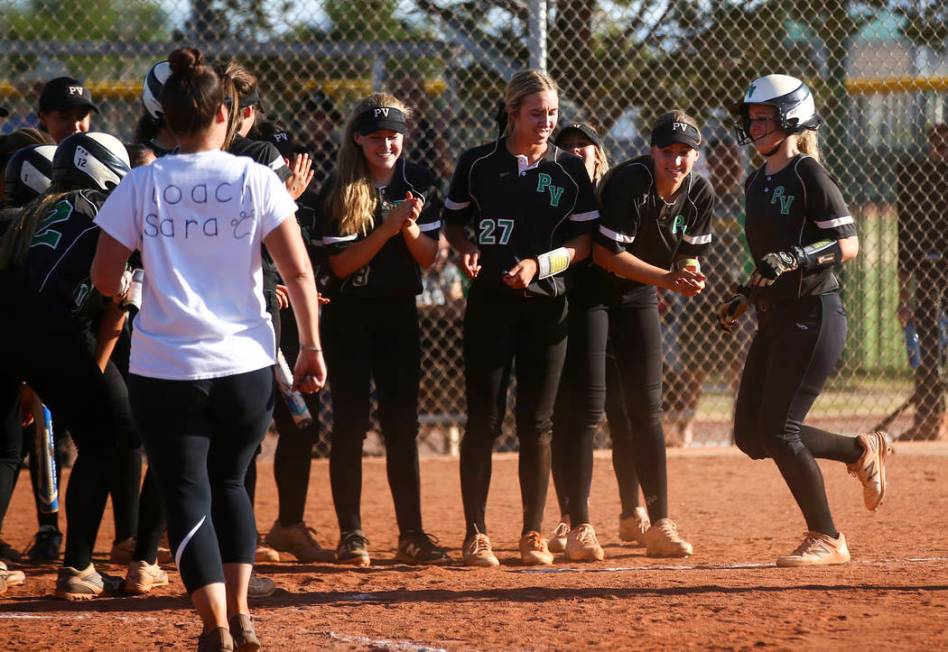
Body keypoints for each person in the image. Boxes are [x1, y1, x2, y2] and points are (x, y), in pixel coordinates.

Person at [91, 47, 325, 651]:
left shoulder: (142, 181)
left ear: (165, 121)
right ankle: (243, 612)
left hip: (165, 366)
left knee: (186, 488)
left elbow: (102, 274)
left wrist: (135, 284)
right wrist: (310, 348)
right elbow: (298, 273)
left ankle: (216, 626)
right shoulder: (256, 178)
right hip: (245, 363)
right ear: (227, 111)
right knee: (231, 483)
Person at [723, 74, 891, 566]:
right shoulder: (756, 182)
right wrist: (745, 294)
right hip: (774, 315)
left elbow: (848, 244)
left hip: (814, 314)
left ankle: (828, 537)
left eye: (762, 118)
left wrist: (798, 257)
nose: (752, 126)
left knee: (779, 430)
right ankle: (860, 450)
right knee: (752, 436)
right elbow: (767, 262)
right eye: (750, 118)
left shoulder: (807, 174)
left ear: (790, 119)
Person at [443, 70, 599, 567]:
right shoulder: (478, 164)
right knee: (483, 421)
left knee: (537, 422)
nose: (547, 123)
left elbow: (583, 245)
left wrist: (537, 265)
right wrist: (466, 249)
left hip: (548, 307)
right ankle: (476, 533)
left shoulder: (569, 170)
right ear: (511, 113)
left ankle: (533, 533)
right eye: (536, 114)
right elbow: (454, 221)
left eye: (552, 113)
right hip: (489, 305)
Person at [316, 92, 447, 567]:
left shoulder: (420, 181)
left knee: (402, 426)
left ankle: (411, 533)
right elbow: (342, 264)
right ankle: (352, 534)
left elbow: (431, 258)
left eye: (393, 137)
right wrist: (389, 228)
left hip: (399, 314)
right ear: (358, 139)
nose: (386, 145)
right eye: (376, 138)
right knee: (350, 425)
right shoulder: (339, 188)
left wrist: (409, 229)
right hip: (348, 317)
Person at [0, 130, 131, 599]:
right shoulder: (106, 209)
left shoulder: (33, 209)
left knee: (3, 447)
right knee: (103, 441)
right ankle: (78, 567)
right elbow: (116, 290)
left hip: (6, 323)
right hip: (46, 327)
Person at [592, 110, 714, 558]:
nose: (676, 162)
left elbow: (689, 255)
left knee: (646, 410)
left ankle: (657, 520)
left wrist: (688, 273)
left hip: (641, 294)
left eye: (685, 154)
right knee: (601, 412)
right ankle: (579, 520)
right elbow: (607, 256)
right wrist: (667, 279)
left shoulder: (699, 190)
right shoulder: (630, 182)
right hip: (597, 296)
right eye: (668, 152)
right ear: (652, 150)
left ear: (695, 156)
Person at [546, 121, 611, 561]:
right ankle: (570, 518)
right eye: (564, 146)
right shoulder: (548, 188)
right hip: (550, 305)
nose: (573, 151)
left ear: (597, 152)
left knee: (589, 413)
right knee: (557, 416)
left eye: (581, 146)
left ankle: (587, 521)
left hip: (596, 309)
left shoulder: (610, 194)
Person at [896, 123, 948, 441]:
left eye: (946, 148)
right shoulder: (921, 185)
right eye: (937, 147)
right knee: (928, 350)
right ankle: (929, 420)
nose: (940, 154)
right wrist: (904, 297)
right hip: (929, 277)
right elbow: (907, 247)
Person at [37, 77, 98, 144]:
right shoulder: (29, 153)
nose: (75, 127)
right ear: (43, 118)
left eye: (81, 117)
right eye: (65, 118)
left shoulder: (96, 152)